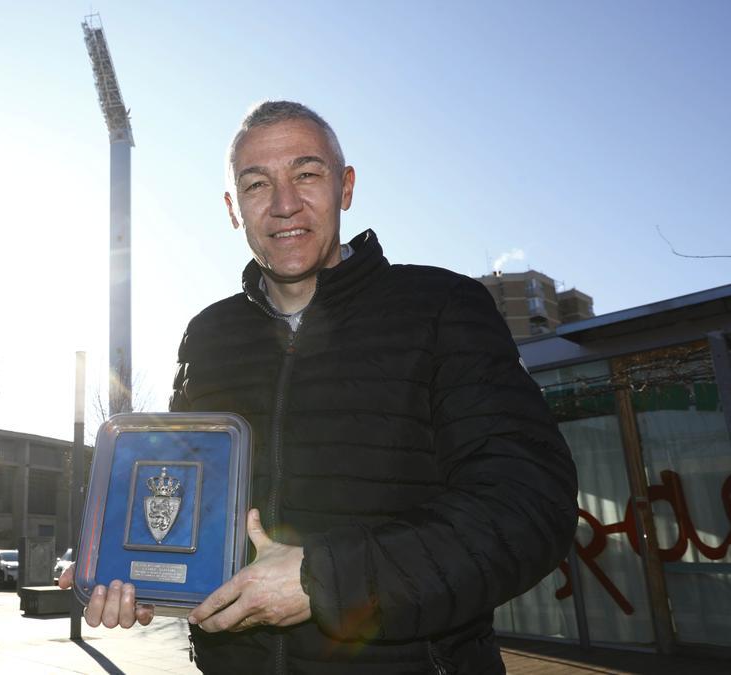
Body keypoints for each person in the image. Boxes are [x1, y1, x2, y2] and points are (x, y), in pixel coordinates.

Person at [61, 100, 577, 674]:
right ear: (234, 209)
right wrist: (129, 565)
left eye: (306, 174)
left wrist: (323, 581)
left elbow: (527, 507)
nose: (285, 204)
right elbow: (189, 499)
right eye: (257, 185)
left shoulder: (443, 308)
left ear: (346, 186)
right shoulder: (208, 335)